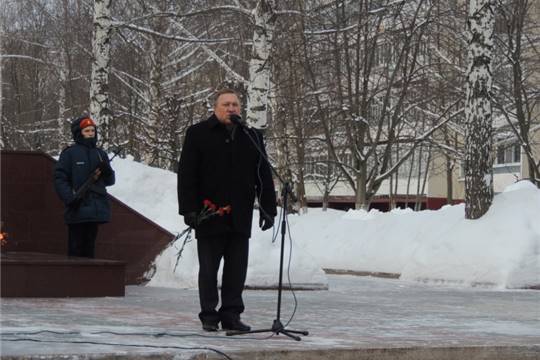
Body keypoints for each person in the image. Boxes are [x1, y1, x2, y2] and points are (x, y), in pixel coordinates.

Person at [178, 88, 277, 332]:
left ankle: (232, 314)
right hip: (209, 213)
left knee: (236, 269)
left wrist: (268, 208)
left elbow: (262, 174)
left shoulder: (251, 135)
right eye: (226, 104)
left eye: (235, 104)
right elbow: (187, 174)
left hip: (240, 214)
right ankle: (209, 315)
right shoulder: (198, 133)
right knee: (209, 269)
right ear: (215, 107)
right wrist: (189, 209)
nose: (231, 108)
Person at [54, 116, 115, 258]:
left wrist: (106, 171)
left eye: (92, 130)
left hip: (95, 211)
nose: (90, 133)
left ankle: (88, 279)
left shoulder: (101, 154)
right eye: (87, 131)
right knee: (75, 250)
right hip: (77, 209)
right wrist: (70, 198)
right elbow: (60, 178)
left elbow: (110, 181)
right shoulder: (70, 154)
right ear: (79, 133)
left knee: (89, 251)